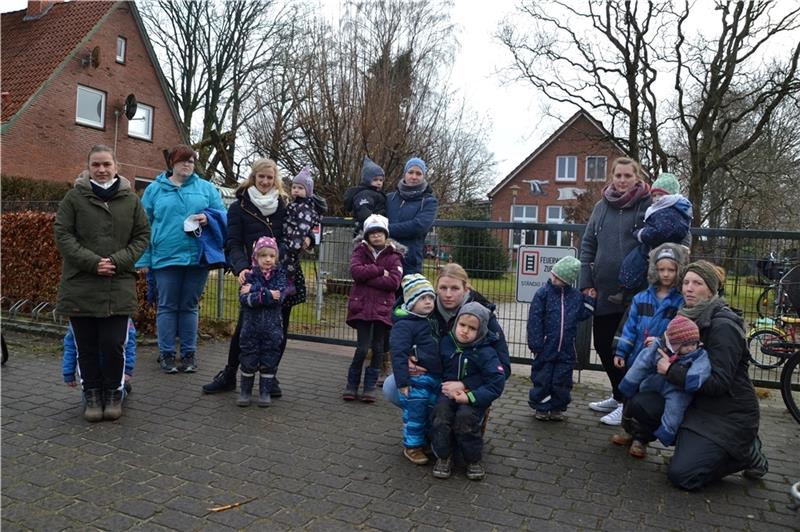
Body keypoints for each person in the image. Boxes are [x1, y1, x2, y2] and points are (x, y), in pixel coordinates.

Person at [622, 261, 768, 490]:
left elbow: (719, 383)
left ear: (711, 289)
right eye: (686, 282)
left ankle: (745, 452)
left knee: (683, 476)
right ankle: (694, 447)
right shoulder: (686, 317)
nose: (689, 288)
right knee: (641, 402)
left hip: (727, 413)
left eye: (697, 283)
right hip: (695, 402)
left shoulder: (723, 326)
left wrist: (671, 371)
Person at [54, 145, 150, 421]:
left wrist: (117, 261)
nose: (102, 169)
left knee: (112, 344)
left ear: (116, 166)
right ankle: (92, 395)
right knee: (86, 345)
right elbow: (63, 235)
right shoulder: (73, 198)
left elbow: (142, 236)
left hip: (118, 284)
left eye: (106, 164)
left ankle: (113, 393)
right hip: (81, 283)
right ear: (88, 167)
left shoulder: (131, 200)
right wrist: (93, 262)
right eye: (96, 164)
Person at [202, 159, 291, 396]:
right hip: (252, 274)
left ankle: (269, 377)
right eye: (261, 177)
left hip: (279, 271)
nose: (265, 182)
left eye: (269, 178)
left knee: (278, 328)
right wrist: (241, 268)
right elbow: (233, 242)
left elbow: (290, 236)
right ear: (253, 177)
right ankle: (230, 374)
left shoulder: (283, 205)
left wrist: (278, 257)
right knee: (245, 327)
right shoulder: (239, 206)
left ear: (275, 180)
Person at [136, 144, 226, 374]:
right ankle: (166, 353)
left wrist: (208, 217)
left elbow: (224, 216)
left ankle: (188, 353)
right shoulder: (154, 190)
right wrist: (144, 259)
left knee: (189, 306)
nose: (187, 164)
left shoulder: (206, 188)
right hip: (165, 257)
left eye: (191, 161)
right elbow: (142, 225)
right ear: (172, 163)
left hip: (198, 257)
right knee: (166, 306)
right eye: (183, 160)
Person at [579, 157, 652, 426]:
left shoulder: (647, 205)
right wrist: (587, 282)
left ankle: (627, 403)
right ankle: (618, 395)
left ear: (637, 176)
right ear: (612, 177)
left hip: (636, 292)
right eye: (618, 175)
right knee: (602, 343)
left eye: (627, 176)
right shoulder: (601, 206)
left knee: (627, 349)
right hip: (604, 288)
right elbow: (588, 244)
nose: (622, 180)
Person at [382, 263, 511, 405]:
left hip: (467, 386)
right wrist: (407, 358)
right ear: (436, 289)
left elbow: (504, 367)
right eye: (443, 288)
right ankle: (427, 417)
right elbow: (402, 336)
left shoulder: (482, 314)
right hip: (432, 374)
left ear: (465, 289)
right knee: (391, 386)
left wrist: (465, 384)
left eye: (455, 288)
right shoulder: (425, 307)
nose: (448, 294)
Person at [431, 303, 506, 481]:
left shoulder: (486, 352)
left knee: (466, 419)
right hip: (447, 394)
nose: (465, 331)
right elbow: (433, 363)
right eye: (462, 325)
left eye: (472, 328)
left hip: (474, 396)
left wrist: (470, 395)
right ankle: (443, 456)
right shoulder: (446, 343)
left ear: (481, 331)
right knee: (440, 416)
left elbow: (496, 381)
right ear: (456, 323)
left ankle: (473, 460)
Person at [616, 316, 710, 456]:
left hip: (677, 389)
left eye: (693, 344)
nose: (691, 348)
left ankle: (665, 433)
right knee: (633, 398)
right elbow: (642, 363)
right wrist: (629, 383)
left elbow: (700, 370)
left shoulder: (698, 355)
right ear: (674, 343)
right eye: (686, 345)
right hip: (655, 381)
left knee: (675, 408)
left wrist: (690, 380)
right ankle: (630, 431)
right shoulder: (660, 346)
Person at [527, 256, 595, 421]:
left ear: (567, 280)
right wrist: (536, 343)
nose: (554, 279)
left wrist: (590, 300)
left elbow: (583, 314)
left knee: (562, 379)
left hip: (566, 348)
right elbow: (534, 319)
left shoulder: (575, 296)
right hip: (546, 346)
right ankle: (541, 407)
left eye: (559, 278)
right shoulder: (543, 294)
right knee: (543, 377)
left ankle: (557, 407)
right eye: (554, 275)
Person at [343, 214, 403, 402]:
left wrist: (368, 276)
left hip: (382, 309)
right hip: (361, 307)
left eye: (380, 233)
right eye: (372, 233)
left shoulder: (394, 256)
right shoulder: (359, 251)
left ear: (385, 234)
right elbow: (356, 272)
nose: (376, 236)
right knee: (361, 348)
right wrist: (378, 270)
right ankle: (351, 384)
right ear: (367, 235)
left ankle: (369, 385)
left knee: (378, 347)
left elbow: (393, 282)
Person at [609, 173, 692, 304]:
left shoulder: (668, 211)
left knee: (638, 262)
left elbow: (659, 231)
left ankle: (627, 288)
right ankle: (628, 289)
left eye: (661, 195)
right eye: (654, 195)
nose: (656, 199)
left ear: (670, 196)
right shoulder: (673, 210)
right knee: (636, 262)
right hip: (658, 247)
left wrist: (640, 234)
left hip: (662, 249)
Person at [390, 274, 442, 465]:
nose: (428, 302)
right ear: (410, 301)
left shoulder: (430, 319)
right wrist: (402, 381)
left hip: (435, 376)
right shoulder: (404, 325)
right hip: (416, 379)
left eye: (430, 297)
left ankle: (424, 442)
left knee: (431, 410)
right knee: (415, 413)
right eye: (422, 298)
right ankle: (412, 446)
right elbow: (398, 353)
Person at [613, 243, 688, 371]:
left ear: (678, 271)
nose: (665, 274)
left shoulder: (680, 302)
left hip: (664, 360)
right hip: (636, 358)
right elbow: (629, 328)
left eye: (671, 270)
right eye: (661, 270)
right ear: (655, 270)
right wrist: (621, 351)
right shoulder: (640, 299)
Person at [237, 237, 288, 407]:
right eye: (263, 255)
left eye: (272, 256)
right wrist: (266, 294)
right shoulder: (249, 275)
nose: (268, 259)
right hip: (250, 328)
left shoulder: (280, 275)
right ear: (255, 257)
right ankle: (245, 392)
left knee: (269, 360)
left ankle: (265, 393)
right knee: (248, 360)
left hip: (272, 329)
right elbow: (245, 299)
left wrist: (255, 291)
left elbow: (279, 297)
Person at [386, 157, 438, 275]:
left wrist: (385, 229)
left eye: (418, 173)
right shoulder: (389, 198)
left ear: (423, 176)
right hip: (385, 258)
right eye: (411, 172)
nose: (414, 177)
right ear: (405, 174)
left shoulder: (429, 201)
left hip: (410, 262)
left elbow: (418, 226)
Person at [64, 319, 137, 394]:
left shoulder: (122, 320)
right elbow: (71, 348)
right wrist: (69, 372)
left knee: (115, 392)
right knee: (92, 397)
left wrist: (127, 369)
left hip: (113, 372)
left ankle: (122, 391)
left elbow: (129, 346)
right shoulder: (79, 323)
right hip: (91, 373)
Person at [283, 166, 325, 288]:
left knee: (290, 266)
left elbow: (302, 229)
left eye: (300, 188)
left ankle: (289, 285)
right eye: (294, 187)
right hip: (287, 240)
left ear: (308, 191)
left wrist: (293, 246)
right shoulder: (294, 204)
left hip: (291, 244)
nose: (296, 190)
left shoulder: (305, 208)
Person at [343, 156, 387, 235]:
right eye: (375, 179)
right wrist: (373, 226)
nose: (379, 182)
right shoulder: (364, 195)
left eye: (381, 180)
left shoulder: (377, 194)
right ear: (367, 180)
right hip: (369, 231)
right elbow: (364, 213)